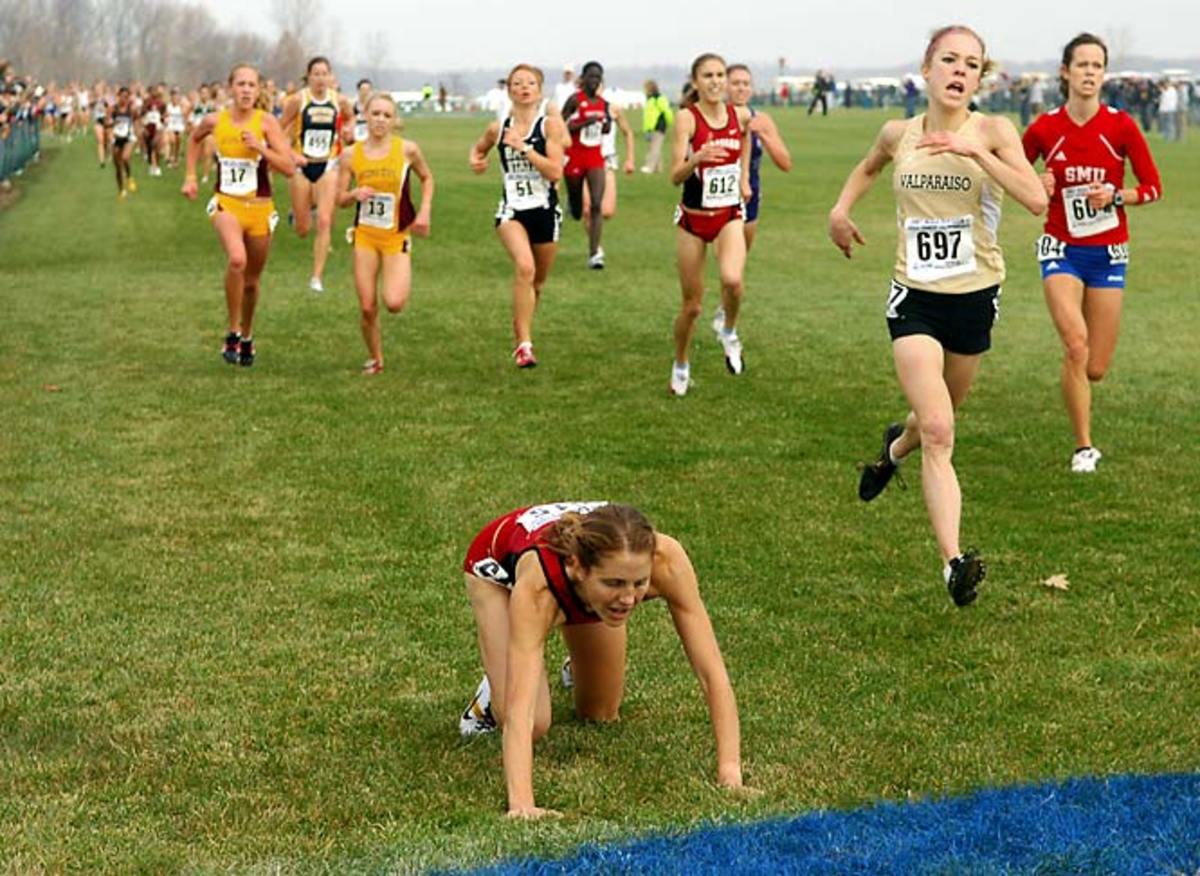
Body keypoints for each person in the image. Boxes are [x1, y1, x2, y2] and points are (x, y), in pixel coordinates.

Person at [828, 25, 1047, 605]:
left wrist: (977, 153)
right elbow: (869, 166)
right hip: (915, 299)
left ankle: (892, 451)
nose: (958, 71)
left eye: (971, 64)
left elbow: (1036, 199)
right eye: (948, 59)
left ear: (979, 77)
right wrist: (840, 210)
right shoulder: (898, 132)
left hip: (975, 298)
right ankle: (954, 563)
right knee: (943, 429)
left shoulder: (995, 130)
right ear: (926, 69)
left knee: (930, 424)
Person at [458, 501, 746, 819]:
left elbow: (711, 672)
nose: (628, 598)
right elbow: (520, 713)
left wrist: (730, 771)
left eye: (640, 583)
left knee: (600, 712)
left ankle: (577, 665)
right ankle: (487, 698)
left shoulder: (667, 560)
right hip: (496, 571)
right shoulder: (540, 588)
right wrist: (523, 805)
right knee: (535, 722)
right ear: (578, 567)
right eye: (615, 584)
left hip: (582, 590)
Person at [1022, 33, 1162, 473]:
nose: (1089, 73)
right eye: (1081, 65)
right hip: (1060, 248)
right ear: (1065, 72)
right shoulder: (1045, 128)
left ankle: (1076, 380)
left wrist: (1118, 196)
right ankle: (1084, 446)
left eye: (1097, 66)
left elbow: (1154, 186)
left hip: (1108, 253)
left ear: (1104, 74)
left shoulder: (1121, 126)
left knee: (1095, 366)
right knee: (1075, 344)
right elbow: (1011, 171)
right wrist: (1035, 184)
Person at [181, 63, 295, 367]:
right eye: (241, 84)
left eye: (251, 85)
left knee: (252, 282)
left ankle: (247, 336)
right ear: (231, 88)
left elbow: (288, 168)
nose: (246, 89)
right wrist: (191, 176)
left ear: (258, 91)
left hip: (259, 208)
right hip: (226, 204)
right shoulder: (215, 120)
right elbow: (193, 139)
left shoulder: (267, 123)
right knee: (237, 259)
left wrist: (261, 148)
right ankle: (232, 331)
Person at [469, 64, 566, 369]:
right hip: (511, 210)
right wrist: (476, 160)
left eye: (531, 83)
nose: (524, 87)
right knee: (524, 268)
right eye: (517, 83)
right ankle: (524, 344)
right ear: (509, 89)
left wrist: (524, 149)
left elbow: (555, 171)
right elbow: (478, 149)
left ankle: (520, 325)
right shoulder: (498, 128)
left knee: (536, 283)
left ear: (540, 90)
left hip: (546, 211)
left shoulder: (549, 126)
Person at [668, 53, 753, 397]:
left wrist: (744, 176)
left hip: (728, 215)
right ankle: (681, 363)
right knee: (692, 307)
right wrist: (697, 159)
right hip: (693, 219)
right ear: (696, 81)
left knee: (732, 281)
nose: (716, 81)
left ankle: (729, 331)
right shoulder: (687, 119)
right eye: (708, 76)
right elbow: (674, 175)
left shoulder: (741, 115)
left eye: (720, 75)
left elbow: (745, 140)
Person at [336, 92, 434, 374]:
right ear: (365, 115)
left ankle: (377, 353)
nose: (380, 120)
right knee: (367, 307)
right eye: (375, 113)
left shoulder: (407, 150)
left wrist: (424, 211)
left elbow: (427, 178)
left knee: (393, 303)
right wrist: (354, 193)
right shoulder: (350, 154)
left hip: (395, 237)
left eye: (386, 115)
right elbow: (339, 199)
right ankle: (376, 358)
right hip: (365, 235)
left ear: (394, 121)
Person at [707, 64, 793, 339]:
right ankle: (727, 319)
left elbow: (785, 163)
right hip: (717, 201)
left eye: (746, 83)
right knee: (726, 265)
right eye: (735, 83)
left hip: (750, 199)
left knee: (737, 266)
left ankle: (724, 309)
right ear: (725, 86)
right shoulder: (712, 118)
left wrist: (765, 136)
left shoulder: (761, 119)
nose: (741, 88)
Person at [279, 56, 354, 293]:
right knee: (303, 229)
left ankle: (316, 277)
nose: (321, 78)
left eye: (325, 74)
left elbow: (351, 118)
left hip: (328, 166)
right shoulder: (298, 100)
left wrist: (348, 129)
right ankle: (298, 214)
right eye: (316, 74)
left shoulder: (339, 100)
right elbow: (278, 131)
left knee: (324, 220)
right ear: (309, 77)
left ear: (331, 77)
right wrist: (291, 154)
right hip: (302, 167)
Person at [561, 62, 611, 269]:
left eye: (598, 77)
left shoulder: (603, 103)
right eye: (591, 76)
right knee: (578, 207)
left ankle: (594, 254)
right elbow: (560, 125)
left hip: (594, 157)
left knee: (597, 204)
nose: (594, 81)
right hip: (574, 156)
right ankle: (572, 205)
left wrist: (606, 125)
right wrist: (582, 124)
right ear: (583, 78)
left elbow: (606, 128)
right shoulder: (575, 100)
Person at [582, 85, 634, 228]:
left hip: (607, 159)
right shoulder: (578, 108)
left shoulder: (612, 108)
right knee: (588, 208)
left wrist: (630, 159)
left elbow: (628, 132)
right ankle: (595, 247)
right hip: (585, 159)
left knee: (607, 211)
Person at [107, 86, 137, 198]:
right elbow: (107, 124)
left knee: (125, 158)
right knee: (117, 167)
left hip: (128, 138)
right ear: (118, 96)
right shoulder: (112, 109)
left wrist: (136, 133)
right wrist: (111, 132)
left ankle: (129, 177)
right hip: (116, 138)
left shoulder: (131, 110)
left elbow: (137, 121)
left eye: (126, 97)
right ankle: (121, 190)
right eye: (122, 96)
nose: (124, 99)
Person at [640, 79, 673, 173]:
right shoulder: (650, 99)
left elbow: (667, 111)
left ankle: (650, 167)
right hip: (650, 127)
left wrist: (667, 122)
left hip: (658, 126)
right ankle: (658, 168)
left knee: (655, 147)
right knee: (654, 147)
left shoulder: (659, 98)